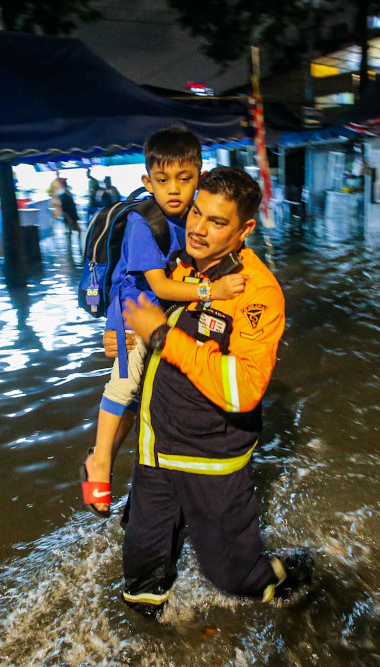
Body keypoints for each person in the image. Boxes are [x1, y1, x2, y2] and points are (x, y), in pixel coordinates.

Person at [118, 167, 312, 618]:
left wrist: (163, 336)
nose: (198, 229)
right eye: (196, 213)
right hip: (154, 447)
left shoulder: (259, 293)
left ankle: (288, 579)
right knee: (142, 566)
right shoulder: (177, 264)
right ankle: (148, 628)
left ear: (245, 228)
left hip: (211, 455)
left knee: (231, 576)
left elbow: (243, 390)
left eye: (217, 222)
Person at [81, 127, 247, 517]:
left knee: (144, 399)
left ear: (200, 177)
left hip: (162, 317)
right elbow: (158, 285)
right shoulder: (143, 223)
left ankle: (137, 483)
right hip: (135, 315)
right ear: (147, 181)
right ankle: (100, 460)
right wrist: (215, 292)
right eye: (162, 180)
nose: (173, 189)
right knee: (123, 385)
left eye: (184, 179)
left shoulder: (194, 216)